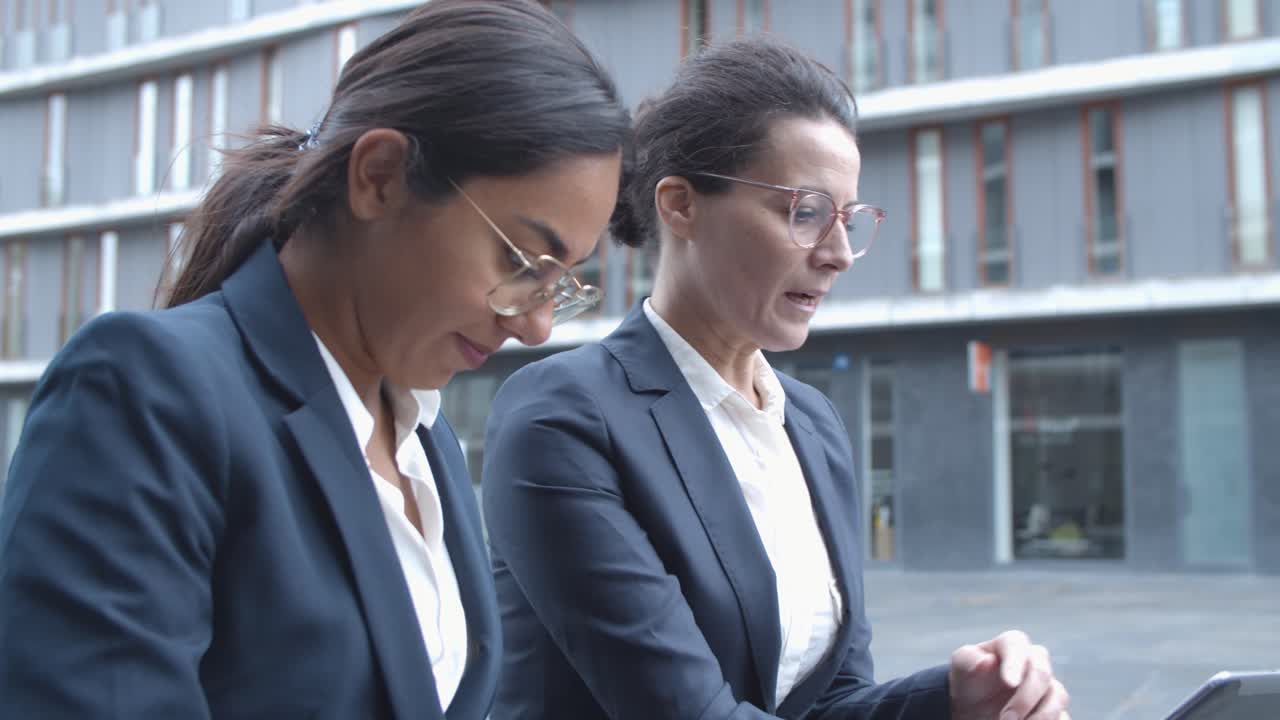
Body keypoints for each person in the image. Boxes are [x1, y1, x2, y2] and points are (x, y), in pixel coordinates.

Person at [0, 1, 627, 717]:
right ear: (380, 176)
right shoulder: (146, 391)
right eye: (521, 261)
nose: (537, 326)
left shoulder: (429, 445)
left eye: (560, 285)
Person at [482, 37, 1071, 720]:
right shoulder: (565, 417)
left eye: (848, 219)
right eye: (806, 212)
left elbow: (829, 698)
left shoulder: (811, 424)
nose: (840, 254)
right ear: (680, 204)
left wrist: (955, 701)